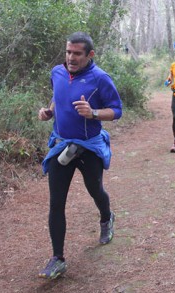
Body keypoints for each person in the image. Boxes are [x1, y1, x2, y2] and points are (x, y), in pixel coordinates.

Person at [37, 32, 123, 280]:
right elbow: (57, 95)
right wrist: (49, 112)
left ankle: (107, 217)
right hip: (61, 145)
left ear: (90, 55)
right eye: (68, 52)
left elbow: (117, 111)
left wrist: (93, 113)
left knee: (95, 190)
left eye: (76, 53)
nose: (70, 58)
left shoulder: (100, 78)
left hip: (89, 147)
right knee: (56, 202)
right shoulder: (57, 72)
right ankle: (57, 259)